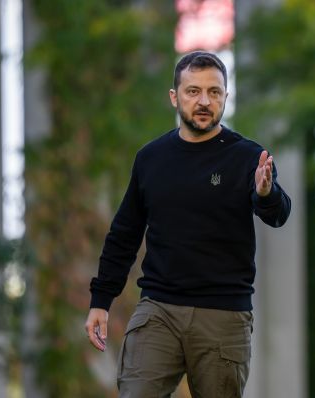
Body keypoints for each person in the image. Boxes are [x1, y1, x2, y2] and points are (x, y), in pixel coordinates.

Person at [85, 51, 291, 397]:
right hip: (159, 309)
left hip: (223, 315)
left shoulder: (247, 157)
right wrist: (101, 300)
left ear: (226, 96)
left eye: (214, 92)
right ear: (174, 97)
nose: (204, 101)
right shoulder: (151, 159)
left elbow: (278, 213)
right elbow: (125, 234)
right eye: (193, 91)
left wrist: (265, 192)